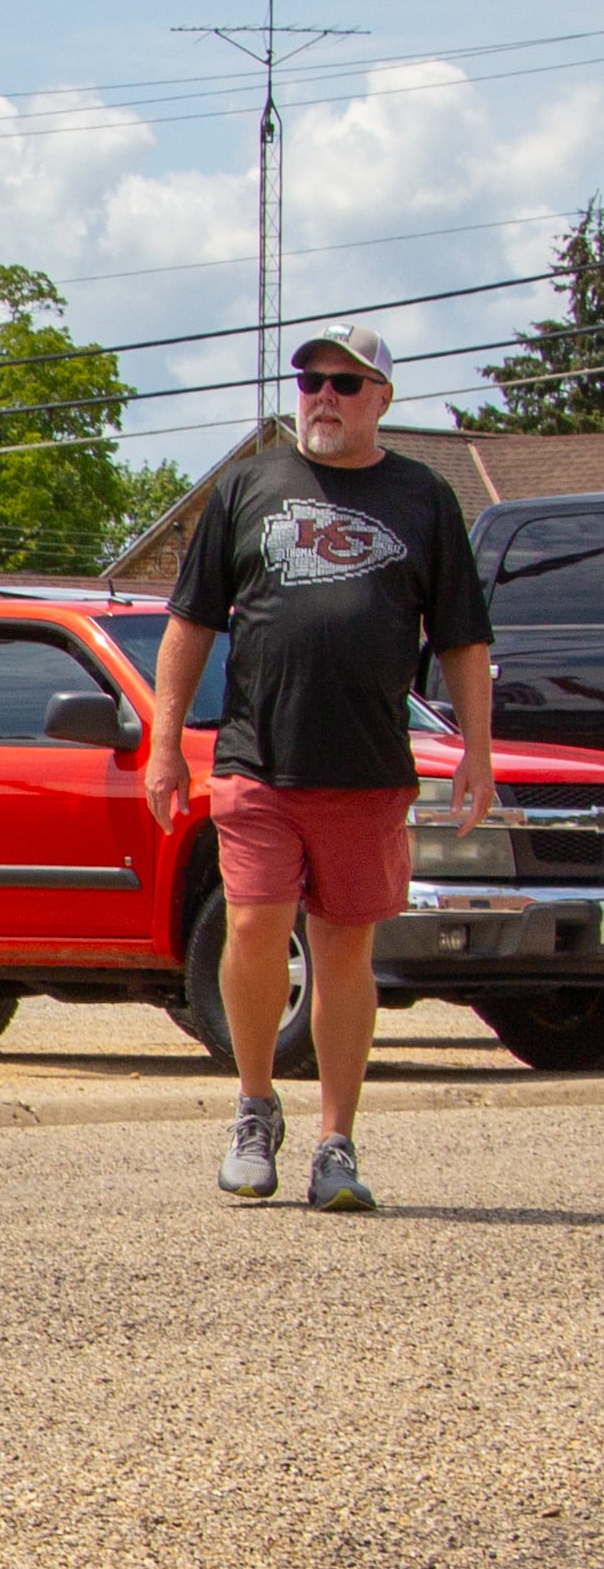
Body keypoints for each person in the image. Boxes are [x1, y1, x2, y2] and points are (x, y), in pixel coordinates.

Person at [146, 321, 496, 1211]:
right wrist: (162, 739)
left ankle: (336, 1143)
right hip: (258, 758)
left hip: (368, 767)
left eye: (344, 383)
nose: (323, 398)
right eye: (309, 383)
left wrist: (478, 753)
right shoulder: (246, 488)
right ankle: (254, 1109)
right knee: (257, 923)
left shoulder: (421, 497)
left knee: (345, 947)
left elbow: (460, 635)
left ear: (381, 397)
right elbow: (190, 622)